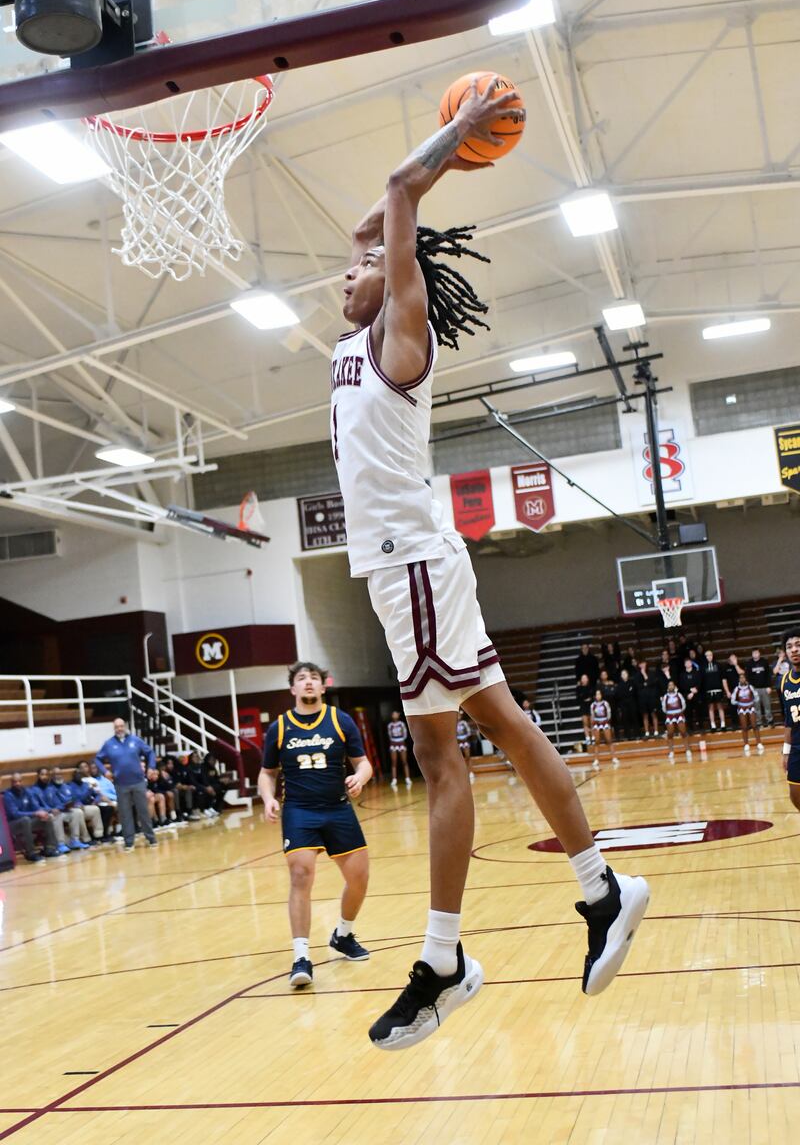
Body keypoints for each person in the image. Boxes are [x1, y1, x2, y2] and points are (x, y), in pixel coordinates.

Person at [330, 83, 650, 1049]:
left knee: (442, 758)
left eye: (361, 269)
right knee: (501, 726)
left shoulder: (400, 338)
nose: (342, 277)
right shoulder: (353, 341)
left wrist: (458, 139)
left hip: (414, 569)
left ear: (396, 280)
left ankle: (444, 960)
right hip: (409, 572)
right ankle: (600, 889)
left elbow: (393, 195)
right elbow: (375, 216)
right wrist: (408, 204)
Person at [258, 662, 373, 989]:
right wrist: (268, 798)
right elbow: (267, 773)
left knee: (359, 879)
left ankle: (343, 935)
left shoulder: (340, 720)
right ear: (292, 689)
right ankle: (301, 956)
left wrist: (359, 778)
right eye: (301, 679)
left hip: (338, 809)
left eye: (313, 678)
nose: (308, 683)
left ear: (324, 686)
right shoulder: (279, 728)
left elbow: (362, 763)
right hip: (299, 812)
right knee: (300, 875)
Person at [94, 718, 157, 851]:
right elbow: (97, 759)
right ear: (114, 728)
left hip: (138, 782)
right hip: (120, 784)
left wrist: (151, 767)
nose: (119, 729)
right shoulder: (109, 744)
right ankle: (129, 842)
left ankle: (151, 838)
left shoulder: (135, 740)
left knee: (143, 811)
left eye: (121, 726)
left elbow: (150, 752)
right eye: (117, 727)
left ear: (125, 726)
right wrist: (105, 771)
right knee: (125, 814)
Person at [2, 774, 58, 861]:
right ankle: (30, 852)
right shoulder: (8, 795)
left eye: (19, 781)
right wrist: (35, 813)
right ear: (11, 783)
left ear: (22, 781)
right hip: (12, 825)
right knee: (26, 820)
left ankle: (49, 848)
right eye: (15, 782)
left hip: (27, 822)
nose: (17, 783)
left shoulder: (27, 792)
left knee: (47, 817)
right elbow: (15, 814)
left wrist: (44, 812)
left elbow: (36, 806)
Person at [50, 766, 102, 845]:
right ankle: (86, 838)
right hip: (62, 810)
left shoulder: (66, 786)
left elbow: (72, 798)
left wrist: (95, 801)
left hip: (74, 807)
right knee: (78, 812)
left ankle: (99, 835)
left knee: (95, 809)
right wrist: (77, 804)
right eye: (56, 774)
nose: (58, 775)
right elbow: (74, 798)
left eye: (60, 774)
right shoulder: (64, 786)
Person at [779, 628, 800, 815]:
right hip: (796, 747)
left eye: (798, 645)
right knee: (795, 795)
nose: (794, 650)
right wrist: (785, 752)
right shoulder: (785, 681)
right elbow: (788, 719)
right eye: (789, 646)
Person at [731, 679, 763, 755]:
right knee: (744, 727)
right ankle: (746, 744)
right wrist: (739, 703)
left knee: (754, 725)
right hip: (742, 709)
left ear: (745, 679)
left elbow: (757, 697)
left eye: (743, 678)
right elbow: (732, 701)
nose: (742, 680)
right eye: (741, 678)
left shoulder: (750, 687)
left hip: (750, 707)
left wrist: (752, 702)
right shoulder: (736, 689)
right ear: (739, 680)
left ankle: (759, 743)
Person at [745, 648, 773, 728]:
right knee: (756, 707)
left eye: (756, 652)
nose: (755, 654)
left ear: (759, 653)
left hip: (765, 688)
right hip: (754, 689)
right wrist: (750, 688)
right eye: (754, 653)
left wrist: (769, 686)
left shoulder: (764, 662)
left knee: (767, 706)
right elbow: (747, 677)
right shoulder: (749, 663)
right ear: (752, 654)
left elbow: (768, 675)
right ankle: (759, 723)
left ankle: (770, 721)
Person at [662, 683, 690, 761]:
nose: (671, 686)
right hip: (670, 716)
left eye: (672, 685)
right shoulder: (665, 697)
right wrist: (670, 713)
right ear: (668, 687)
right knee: (670, 734)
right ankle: (671, 752)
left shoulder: (679, 695)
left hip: (679, 714)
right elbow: (664, 708)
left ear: (674, 686)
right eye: (669, 685)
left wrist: (679, 712)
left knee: (683, 732)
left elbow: (683, 704)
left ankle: (687, 750)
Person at [590, 690, 618, 769]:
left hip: (605, 722)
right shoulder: (593, 705)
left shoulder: (605, 703)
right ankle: (596, 759)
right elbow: (592, 716)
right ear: (595, 696)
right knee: (597, 742)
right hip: (596, 723)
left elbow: (609, 713)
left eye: (599, 694)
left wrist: (607, 721)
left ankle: (614, 757)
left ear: (601, 695)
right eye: (596, 694)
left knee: (609, 740)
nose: (598, 696)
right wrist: (593, 726)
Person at [702, 650, 727, 733]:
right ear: (705, 657)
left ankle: (723, 724)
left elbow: (723, 678)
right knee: (711, 708)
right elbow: (702, 680)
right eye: (707, 655)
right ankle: (713, 725)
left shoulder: (718, 665)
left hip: (718, 689)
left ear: (712, 656)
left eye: (710, 655)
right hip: (708, 691)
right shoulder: (703, 667)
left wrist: (725, 690)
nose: (709, 657)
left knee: (720, 707)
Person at [386, 710, 412, 788]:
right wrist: (394, 741)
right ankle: (394, 780)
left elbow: (405, 734)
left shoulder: (401, 724)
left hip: (401, 743)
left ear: (398, 715)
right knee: (394, 762)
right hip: (393, 744)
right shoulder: (390, 725)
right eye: (393, 714)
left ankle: (407, 778)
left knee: (404, 761)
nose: (394, 715)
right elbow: (389, 735)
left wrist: (401, 740)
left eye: (395, 714)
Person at [678, 658, 703, 734]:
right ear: (685, 664)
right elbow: (681, 685)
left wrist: (695, 690)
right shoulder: (682, 674)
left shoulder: (697, 672)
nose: (688, 664)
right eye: (686, 663)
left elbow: (700, 682)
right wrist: (689, 691)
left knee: (699, 710)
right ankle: (690, 727)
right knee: (688, 712)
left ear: (691, 663)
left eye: (689, 662)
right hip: (687, 695)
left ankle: (701, 726)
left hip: (696, 693)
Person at [615, 668, 640, 741]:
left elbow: (634, 693)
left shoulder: (632, 682)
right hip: (623, 704)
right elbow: (619, 695)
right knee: (625, 720)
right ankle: (628, 736)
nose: (624, 675)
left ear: (628, 675)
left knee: (635, 718)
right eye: (622, 674)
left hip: (632, 703)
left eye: (625, 674)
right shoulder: (619, 685)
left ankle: (637, 734)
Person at [637, 661, 660, 739]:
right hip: (642, 699)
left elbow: (651, 682)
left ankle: (656, 731)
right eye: (641, 664)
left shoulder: (651, 673)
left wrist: (644, 675)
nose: (642, 665)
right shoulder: (637, 675)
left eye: (644, 663)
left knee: (654, 714)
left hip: (652, 698)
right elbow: (638, 686)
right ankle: (647, 732)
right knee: (645, 715)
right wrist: (646, 683)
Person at [575, 673, 594, 749]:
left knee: (592, 722)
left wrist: (586, 697)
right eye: (583, 678)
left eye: (585, 678)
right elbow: (578, 698)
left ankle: (593, 737)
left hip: (590, 706)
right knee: (585, 723)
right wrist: (584, 697)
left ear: (588, 679)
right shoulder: (578, 688)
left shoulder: (591, 687)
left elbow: (592, 696)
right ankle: (587, 738)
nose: (584, 679)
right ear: (581, 680)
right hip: (583, 706)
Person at [456, 711, 475, 784]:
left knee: (468, 757)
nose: (458, 716)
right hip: (458, 743)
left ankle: (471, 772)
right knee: (460, 759)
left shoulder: (463, 723)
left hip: (465, 742)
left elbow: (469, 732)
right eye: (457, 715)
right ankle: (461, 774)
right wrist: (458, 739)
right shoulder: (454, 724)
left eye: (459, 715)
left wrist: (464, 738)